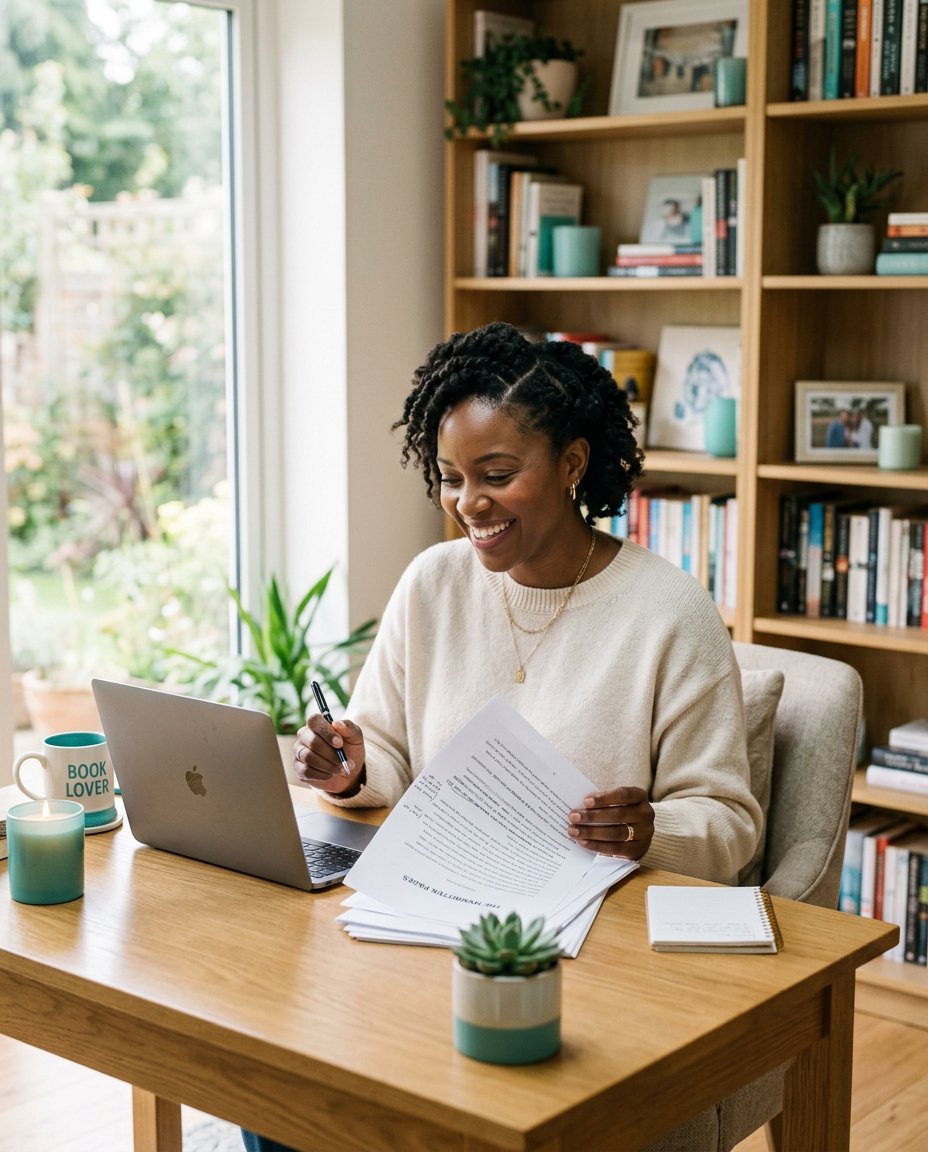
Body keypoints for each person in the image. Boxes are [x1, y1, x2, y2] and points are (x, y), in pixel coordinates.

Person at [242, 321, 762, 1152]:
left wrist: (651, 829)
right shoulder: (433, 583)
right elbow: (386, 745)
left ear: (573, 463)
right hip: (431, 917)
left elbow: (731, 823)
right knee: (276, 1076)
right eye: (450, 478)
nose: (467, 504)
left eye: (497, 474)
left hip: (577, 953)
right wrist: (350, 768)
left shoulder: (668, 613)